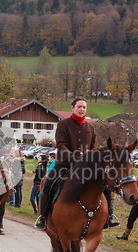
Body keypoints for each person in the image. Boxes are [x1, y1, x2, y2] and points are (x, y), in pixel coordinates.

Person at [36, 97, 97, 230]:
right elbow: (60, 144)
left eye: (84, 107)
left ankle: (108, 219)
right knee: (48, 184)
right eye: (79, 107)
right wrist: (71, 156)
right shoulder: (63, 124)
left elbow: (93, 147)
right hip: (64, 164)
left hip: (84, 167)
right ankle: (43, 217)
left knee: (103, 184)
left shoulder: (91, 128)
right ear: (72, 107)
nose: (82, 109)